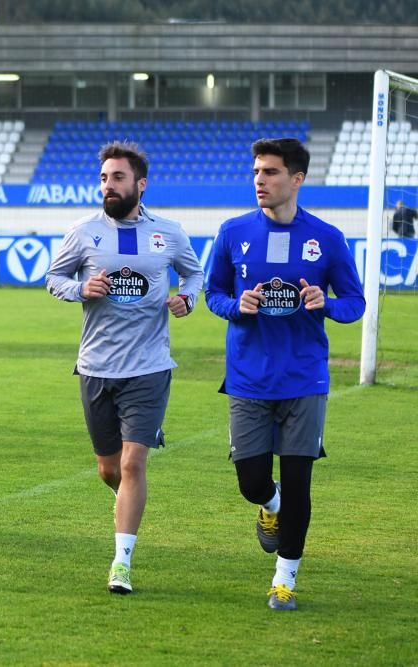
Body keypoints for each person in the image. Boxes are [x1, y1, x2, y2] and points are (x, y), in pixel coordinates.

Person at [205, 138, 365, 611]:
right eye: (257, 171)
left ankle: (284, 581)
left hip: (305, 379)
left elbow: (354, 302)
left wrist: (327, 303)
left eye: (271, 172)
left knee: (299, 484)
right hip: (248, 379)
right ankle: (267, 507)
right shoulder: (233, 232)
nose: (260, 180)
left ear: (296, 179)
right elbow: (214, 292)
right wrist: (237, 306)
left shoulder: (328, 238)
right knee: (253, 481)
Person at [45, 141, 204, 596]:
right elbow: (54, 279)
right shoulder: (82, 231)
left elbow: (194, 275)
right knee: (109, 471)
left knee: (134, 465)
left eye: (117, 178)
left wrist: (187, 298)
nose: (108, 186)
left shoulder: (169, 232)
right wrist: (82, 288)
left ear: (140, 184)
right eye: (103, 178)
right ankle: (126, 506)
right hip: (97, 365)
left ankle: (122, 562)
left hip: (150, 366)